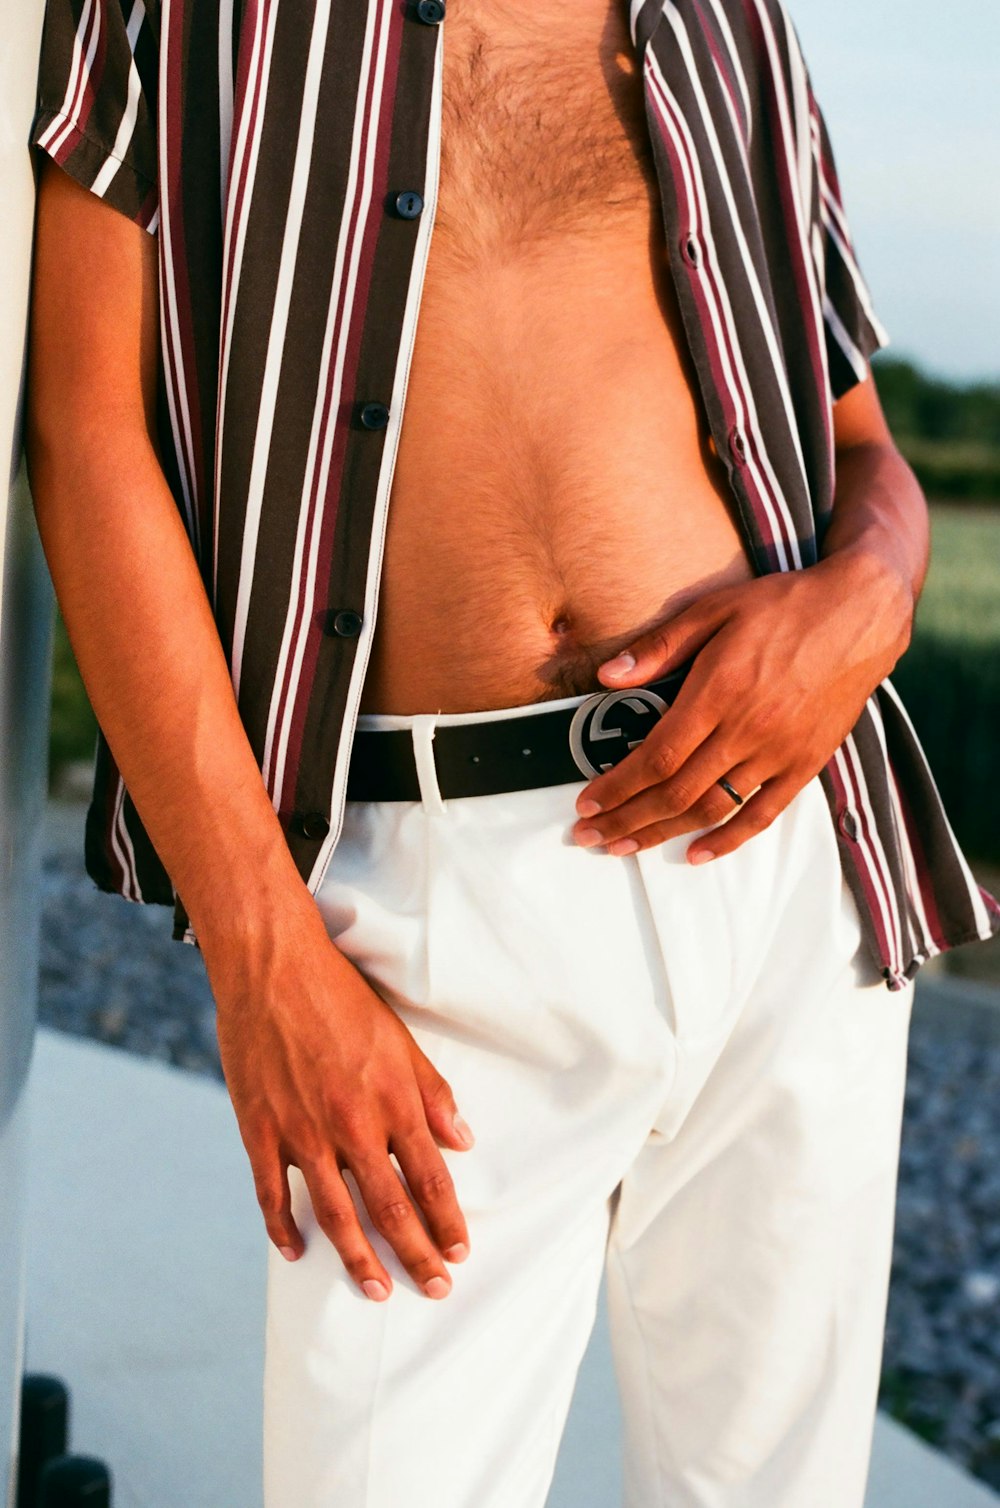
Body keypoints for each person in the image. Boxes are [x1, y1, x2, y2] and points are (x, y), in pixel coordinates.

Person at [24, 1, 999, 1504]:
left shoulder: (728, 20)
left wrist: (869, 592)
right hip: (424, 927)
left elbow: (860, 445)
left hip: (785, 850)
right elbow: (88, 429)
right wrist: (259, 952)